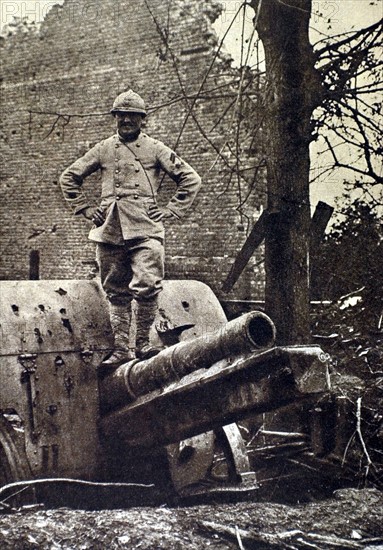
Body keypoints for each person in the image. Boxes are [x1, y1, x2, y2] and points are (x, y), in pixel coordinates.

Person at [60, 90, 201, 366]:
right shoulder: (103, 149)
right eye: (121, 115)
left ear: (141, 120)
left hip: (146, 228)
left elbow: (191, 179)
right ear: (115, 118)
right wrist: (86, 208)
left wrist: (169, 209)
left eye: (132, 116)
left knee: (148, 283)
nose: (125, 120)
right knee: (115, 290)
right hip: (110, 229)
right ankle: (122, 348)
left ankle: (144, 344)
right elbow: (69, 177)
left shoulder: (156, 148)